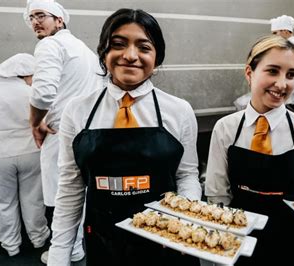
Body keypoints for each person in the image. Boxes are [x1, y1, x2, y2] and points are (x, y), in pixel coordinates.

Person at [47, 8, 202, 265]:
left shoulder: (179, 110)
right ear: (103, 52)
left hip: (166, 243)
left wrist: (188, 224)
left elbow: (186, 175)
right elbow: (70, 187)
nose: (130, 56)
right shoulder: (77, 110)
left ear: (157, 57)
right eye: (118, 45)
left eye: (144, 47)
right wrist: (58, 255)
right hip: (104, 239)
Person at [205, 34, 294, 265]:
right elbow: (218, 194)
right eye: (272, 71)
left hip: (291, 241)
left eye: (291, 74)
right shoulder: (226, 128)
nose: (282, 84)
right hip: (239, 239)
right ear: (249, 73)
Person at [23, 0, 102, 262]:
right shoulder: (85, 50)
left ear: (60, 20)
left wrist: (35, 122)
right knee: (82, 193)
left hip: (62, 136)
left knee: (63, 197)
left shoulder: (49, 44)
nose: (35, 21)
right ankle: (77, 246)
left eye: (41, 16)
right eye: (31, 17)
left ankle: (65, 251)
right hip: (90, 135)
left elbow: (44, 93)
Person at [0, 53, 50, 257]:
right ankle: (38, 238)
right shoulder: (31, 92)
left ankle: (11, 245)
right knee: (33, 198)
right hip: (30, 150)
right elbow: (45, 121)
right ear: (24, 75)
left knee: (3, 201)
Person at [270, 15, 294, 112]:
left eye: (275, 33)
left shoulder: (291, 47)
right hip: (290, 99)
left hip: (287, 100)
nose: (273, 37)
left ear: (285, 31)